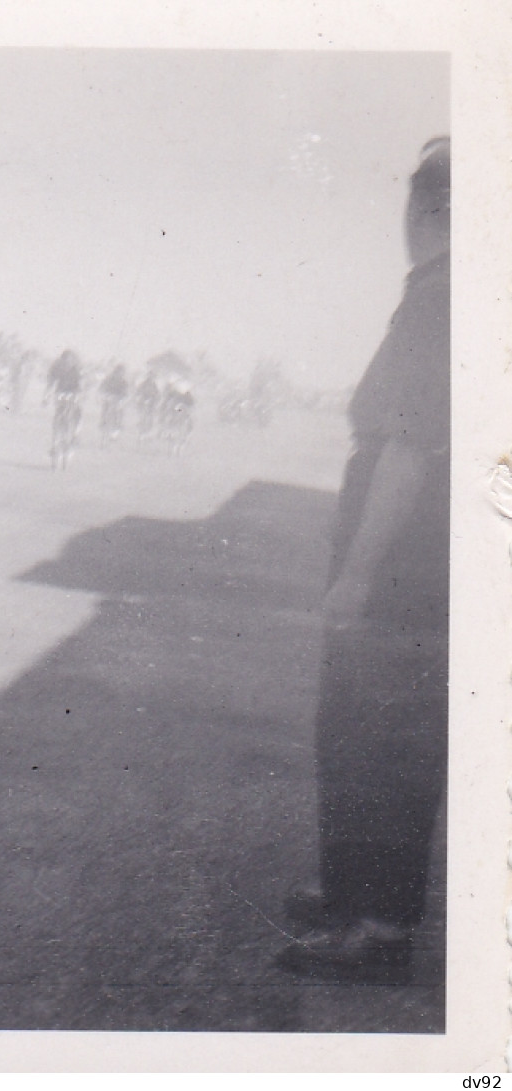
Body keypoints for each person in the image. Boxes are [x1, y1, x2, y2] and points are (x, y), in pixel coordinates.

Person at [276, 137, 450, 983]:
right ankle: (353, 899)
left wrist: (357, 572)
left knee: (377, 740)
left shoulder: (440, 296)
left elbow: (408, 451)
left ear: (428, 208)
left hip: (402, 573)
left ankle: (375, 927)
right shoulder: (446, 293)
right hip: (420, 573)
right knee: (364, 734)